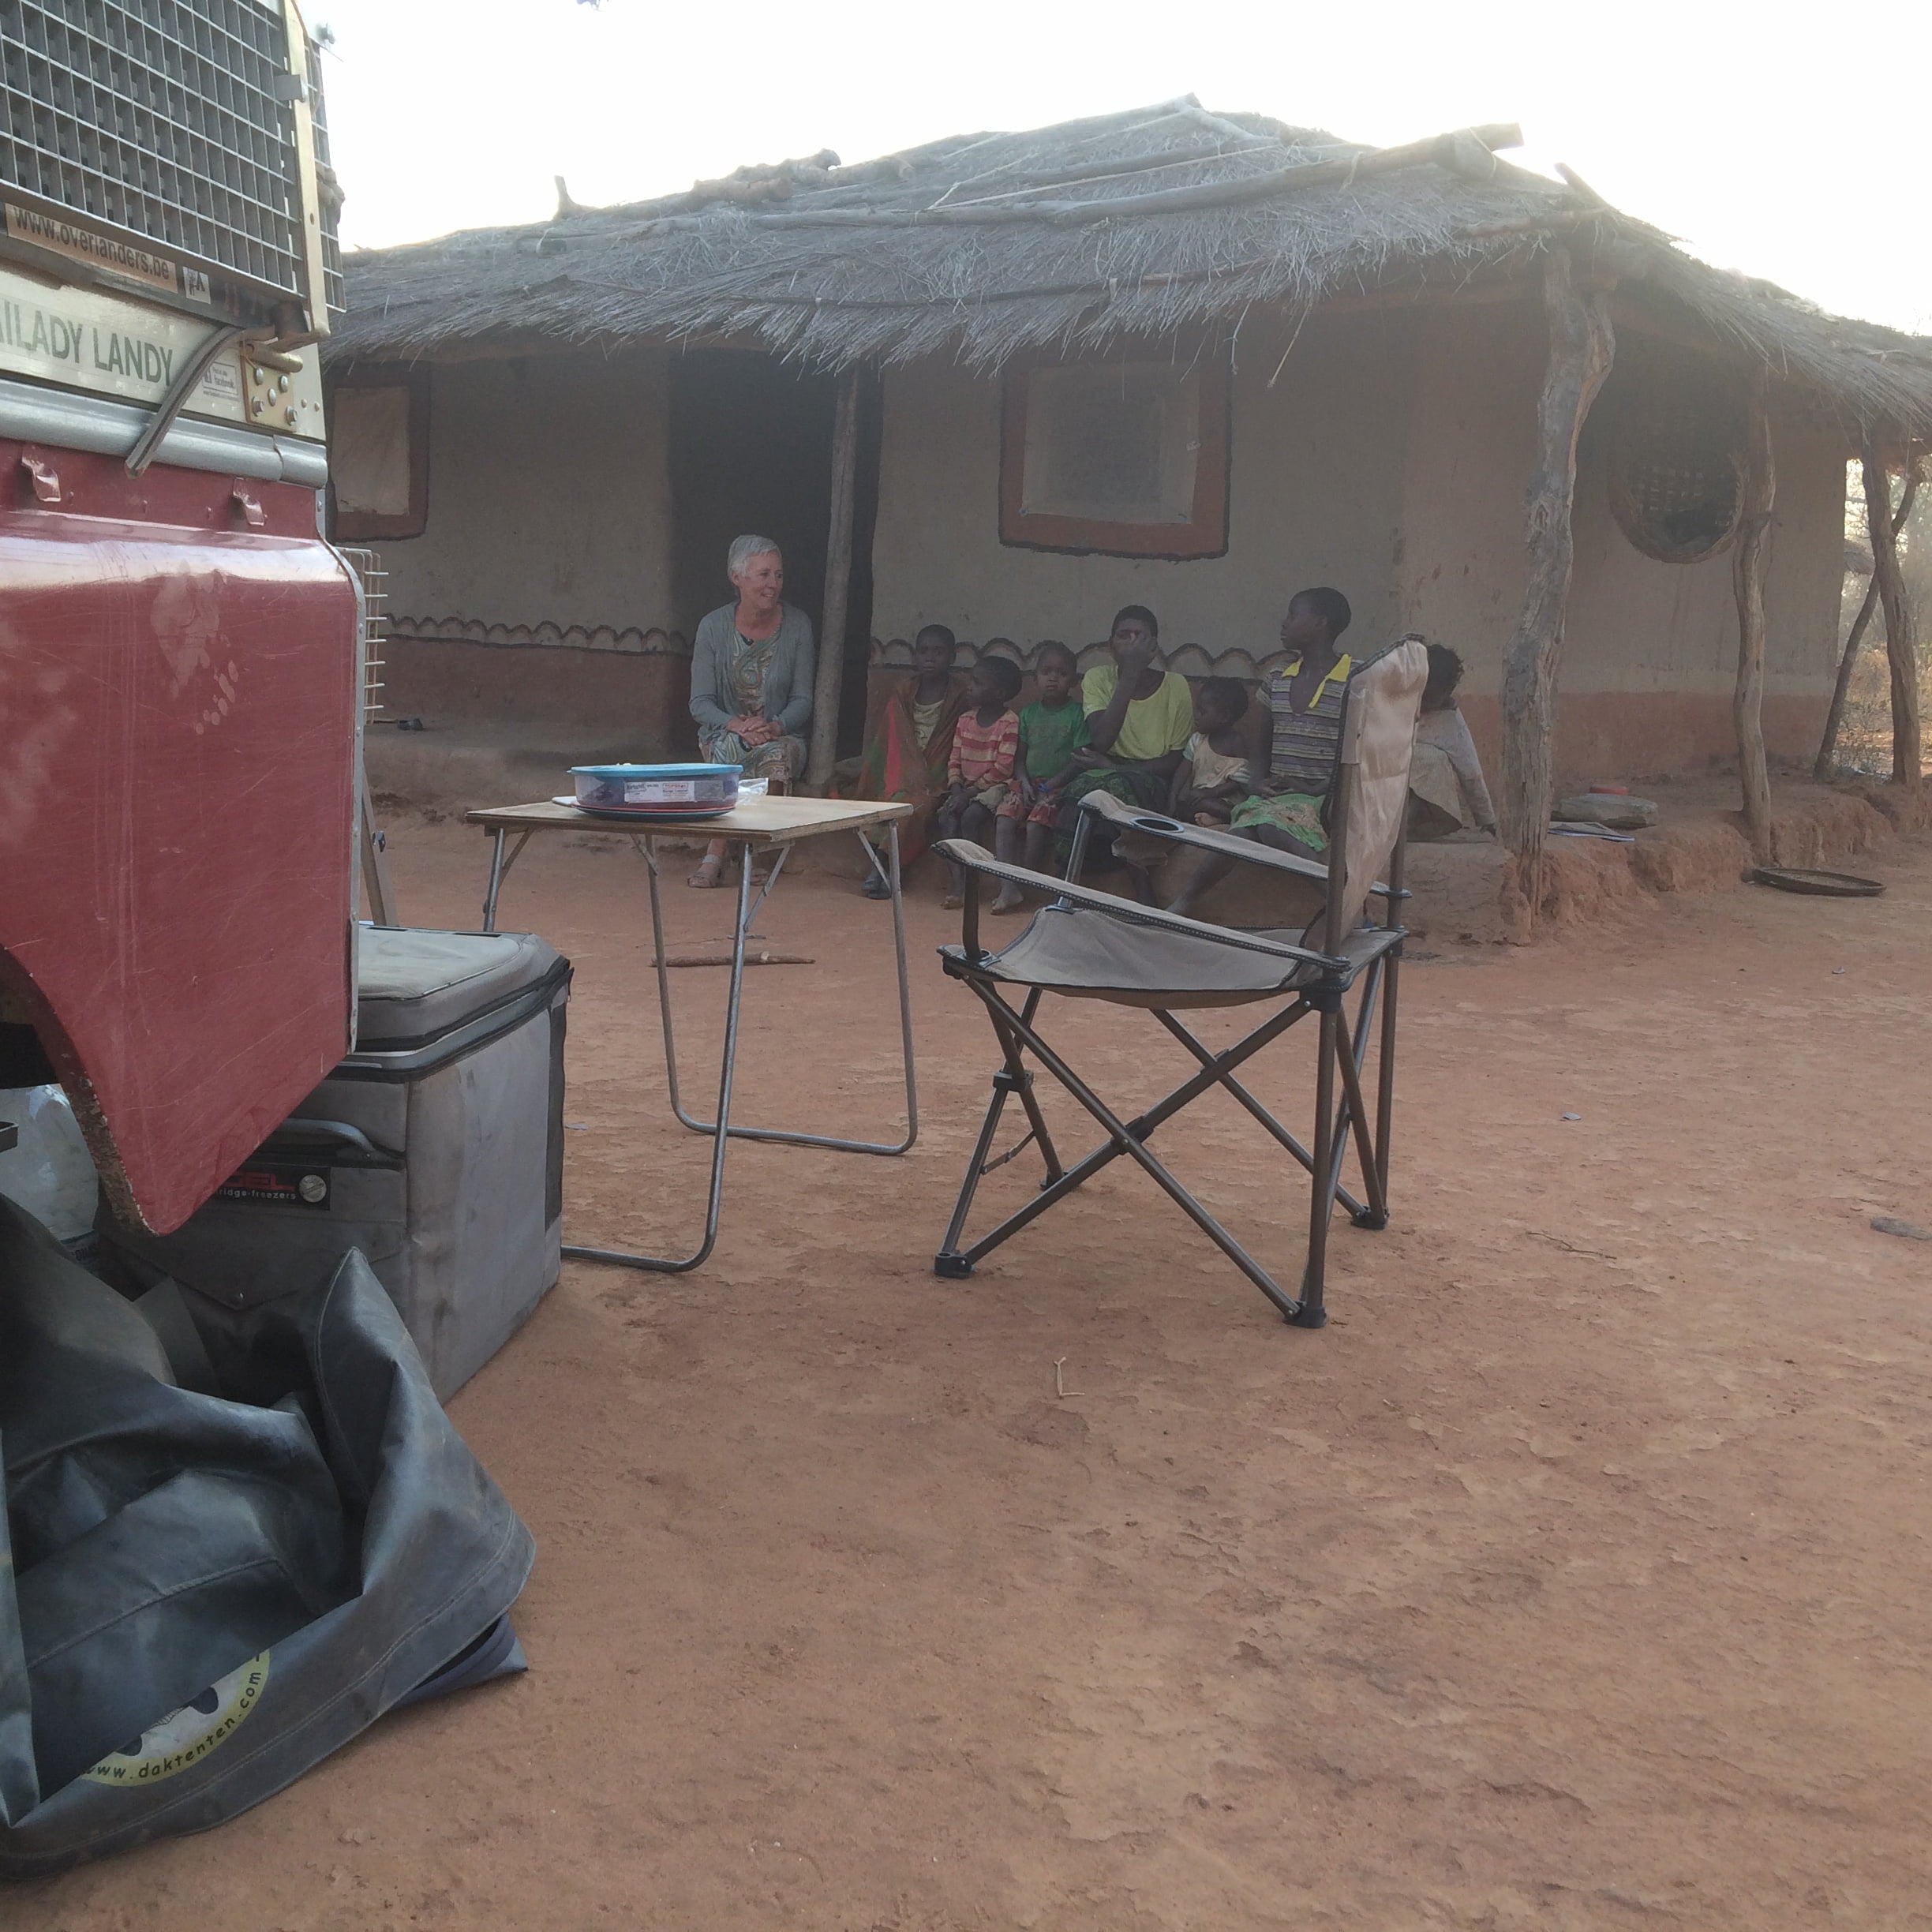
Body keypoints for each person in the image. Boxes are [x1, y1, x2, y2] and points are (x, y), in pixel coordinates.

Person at [1163, 587, 1354, 916]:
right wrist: (1255, 783)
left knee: (1265, 826)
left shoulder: (1354, 679)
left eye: (1293, 614)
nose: (1284, 623)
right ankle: (1186, 900)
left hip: (1327, 796)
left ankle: (1344, 905)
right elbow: (1263, 745)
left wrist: (1316, 788)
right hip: (1280, 795)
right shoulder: (1277, 678)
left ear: (1320, 622)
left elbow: (1359, 751)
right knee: (1244, 831)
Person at [686, 535, 814, 889]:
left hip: (780, 734)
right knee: (729, 750)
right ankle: (718, 850)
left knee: (774, 753)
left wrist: (774, 726)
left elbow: (803, 700)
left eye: (778, 575)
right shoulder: (712, 627)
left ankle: (753, 849)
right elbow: (700, 703)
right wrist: (735, 724)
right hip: (725, 732)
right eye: (764, 575)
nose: (773, 584)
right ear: (737, 577)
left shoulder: (798, 625)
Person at [1054, 605, 1196, 862]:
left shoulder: (1176, 685)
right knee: (1081, 792)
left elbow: (1175, 760)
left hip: (1152, 777)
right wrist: (1129, 676)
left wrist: (1116, 769)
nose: (1132, 644)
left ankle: (1124, 871)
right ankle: (1069, 873)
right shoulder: (1098, 678)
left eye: (1140, 637)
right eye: (1123, 636)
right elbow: (1101, 740)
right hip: (1102, 767)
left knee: (1107, 788)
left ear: (1153, 647)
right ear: (1111, 645)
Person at [840, 623, 972, 899]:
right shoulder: (904, 690)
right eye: (924, 651)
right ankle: (884, 871)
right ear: (914, 656)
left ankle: (883, 870)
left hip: (939, 772)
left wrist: (928, 775)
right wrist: (906, 771)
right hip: (902, 769)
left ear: (952, 656)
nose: (930, 658)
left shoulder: (960, 695)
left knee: (915, 808)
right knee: (888, 801)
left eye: (938, 652)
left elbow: (960, 741)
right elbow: (892, 738)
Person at [992, 642, 1088, 912]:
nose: (1053, 678)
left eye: (1062, 673)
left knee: (1036, 826)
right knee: (1004, 819)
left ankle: (1024, 883)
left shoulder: (1077, 714)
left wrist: (1051, 786)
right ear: (1035, 678)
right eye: (1046, 672)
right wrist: (1023, 782)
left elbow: (1078, 760)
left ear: (1074, 681)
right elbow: (1020, 757)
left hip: (1058, 786)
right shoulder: (1029, 713)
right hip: (1027, 783)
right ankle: (1007, 887)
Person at [936, 654, 1023, 908]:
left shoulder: (1009, 722)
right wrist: (956, 788)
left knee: (971, 817)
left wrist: (969, 793)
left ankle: (973, 881)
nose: (970, 687)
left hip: (995, 786)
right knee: (946, 817)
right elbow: (954, 759)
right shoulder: (965, 720)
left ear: (999, 693)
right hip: (964, 787)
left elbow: (1003, 768)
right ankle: (958, 885)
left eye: (977, 683)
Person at [1409, 642, 1498, 838]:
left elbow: (1470, 772)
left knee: (1433, 760)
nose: (1424, 702)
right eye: (1422, 693)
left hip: (1412, 799)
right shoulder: (1394, 700)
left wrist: (1487, 819)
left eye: (1431, 697)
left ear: (1448, 691)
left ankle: (1405, 830)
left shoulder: (1450, 723)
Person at [1169, 676, 1253, 826]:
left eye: (1202, 712)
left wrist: (1209, 793)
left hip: (1224, 800)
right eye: (1197, 709)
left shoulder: (1236, 742)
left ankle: (1222, 819)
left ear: (1224, 717)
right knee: (1184, 803)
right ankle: (1210, 820)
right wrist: (1173, 799)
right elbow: (1182, 773)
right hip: (1198, 797)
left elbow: (1242, 781)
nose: (1196, 715)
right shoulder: (1197, 740)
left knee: (1210, 805)